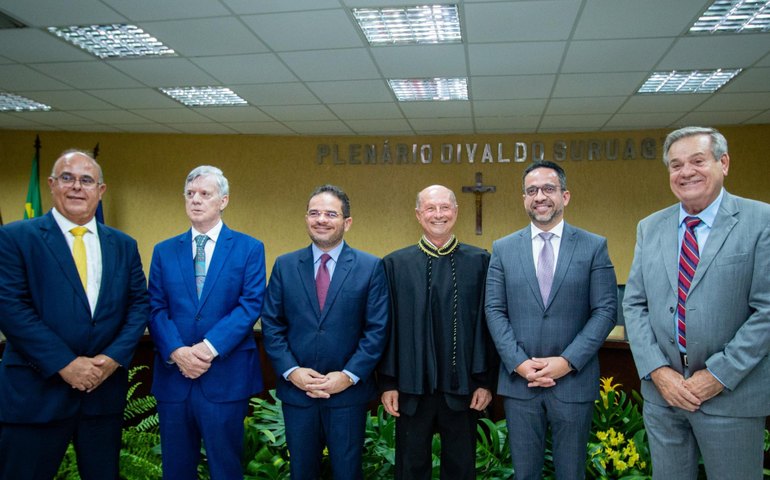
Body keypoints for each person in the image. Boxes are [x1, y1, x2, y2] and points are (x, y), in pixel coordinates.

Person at [623, 126, 770, 479]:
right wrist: (659, 372)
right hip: (664, 398)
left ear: (724, 163)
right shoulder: (650, 227)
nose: (685, 172)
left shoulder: (761, 221)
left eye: (697, 161)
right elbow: (635, 304)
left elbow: (766, 311)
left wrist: (718, 374)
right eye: (676, 165)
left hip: (731, 396)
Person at [0, 150, 149, 480]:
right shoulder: (15, 238)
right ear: (52, 185)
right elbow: (10, 307)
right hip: (36, 395)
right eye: (67, 178)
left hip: (102, 396)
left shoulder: (123, 245)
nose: (77, 187)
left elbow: (139, 305)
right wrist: (66, 365)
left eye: (86, 180)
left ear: (101, 190)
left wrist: (111, 358)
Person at [485, 161, 617, 480]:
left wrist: (567, 361)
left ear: (565, 196)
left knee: (571, 472)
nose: (539, 196)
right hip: (521, 382)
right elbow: (494, 310)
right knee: (525, 473)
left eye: (548, 189)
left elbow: (606, 310)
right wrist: (518, 362)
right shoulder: (503, 249)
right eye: (532, 191)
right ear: (524, 199)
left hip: (573, 382)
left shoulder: (593, 246)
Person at [261, 184, 389, 480]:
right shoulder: (285, 265)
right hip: (298, 393)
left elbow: (377, 330)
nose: (321, 219)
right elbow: (272, 324)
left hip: (347, 395)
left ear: (347, 222)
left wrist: (347, 376)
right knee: (301, 473)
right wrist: (292, 371)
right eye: (314, 213)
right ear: (306, 218)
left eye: (330, 214)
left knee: (347, 473)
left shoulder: (370, 267)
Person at [148, 165, 266, 480]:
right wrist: (177, 351)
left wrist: (207, 349)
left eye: (205, 194)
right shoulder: (163, 251)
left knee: (225, 469)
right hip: (175, 379)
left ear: (223, 200)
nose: (196, 200)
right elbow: (155, 307)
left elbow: (250, 304)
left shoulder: (249, 248)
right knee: (175, 469)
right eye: (190, 194)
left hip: (225, 378)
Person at [378, 185, 496, 479]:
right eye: (430, 208)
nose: (438, 214)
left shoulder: (481, 262)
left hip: (464, 389)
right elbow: (385, 329)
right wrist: (388, 383)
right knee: (410, 468)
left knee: (461, 468)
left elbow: (489, 325)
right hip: (411, 389)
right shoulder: (395, 265)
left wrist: (485, 381)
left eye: (445, 208)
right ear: (418, 215)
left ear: (455, 212)